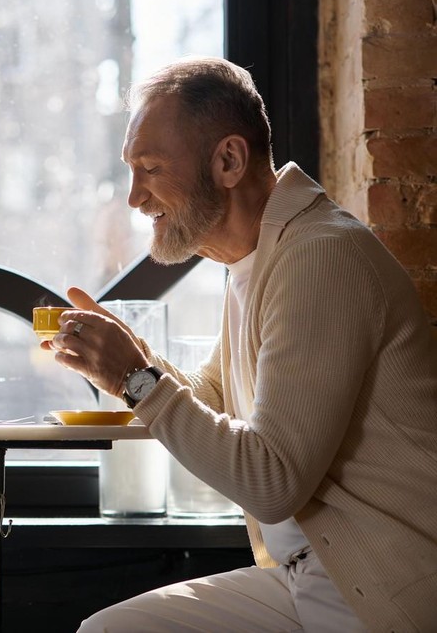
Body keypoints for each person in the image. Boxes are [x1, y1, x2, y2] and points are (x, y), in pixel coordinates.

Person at [45, 57, 437, 632]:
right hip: (309, 576)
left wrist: (136, 378)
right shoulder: (258, 258)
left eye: (150, 168)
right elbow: (212, 394)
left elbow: (272, 480)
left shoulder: (319, 257)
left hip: (384, 588)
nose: (134, 198)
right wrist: (126, 363)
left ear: (228, 160)